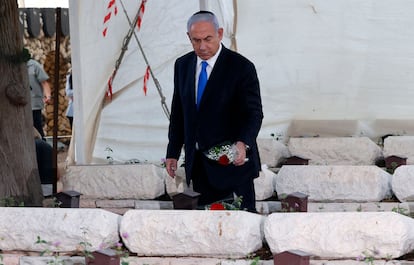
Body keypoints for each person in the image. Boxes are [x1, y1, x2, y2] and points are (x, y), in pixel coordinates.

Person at [165, 11, 263, 212]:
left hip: (233, 165)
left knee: (238, 230)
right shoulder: (182, 66)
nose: (202, 46)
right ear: (189, 38)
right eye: (196, 40)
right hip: (199, 166)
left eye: (208, 39)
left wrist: (243, 142)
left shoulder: (241, 67)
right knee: (207, 229)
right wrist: (173, 152)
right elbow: (179, 112)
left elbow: (254, 113)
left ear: (219, 33)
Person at [27, 54, 52, 139]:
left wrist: (48, 95)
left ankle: (43, 147)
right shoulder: (13, 66)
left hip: (34, 103)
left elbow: (44, 82)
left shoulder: (34, 65)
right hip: (21, 103)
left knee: (37, 127)